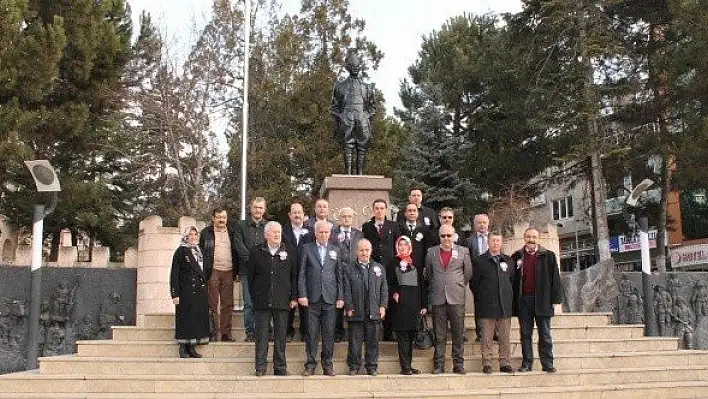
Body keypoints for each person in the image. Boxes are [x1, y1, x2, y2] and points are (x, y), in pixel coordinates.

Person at [247, 222, 298, 376]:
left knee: (280, 337)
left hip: (282, 300)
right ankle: (260, 368)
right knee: (261, 337)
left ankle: (280, 368)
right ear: (266, 235)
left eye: (279, 232)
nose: (277, 235)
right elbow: (251, 278)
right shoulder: (256, 252)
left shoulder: (290, 251)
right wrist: (255, 297)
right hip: (262, 301)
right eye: (274, 232)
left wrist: (294, 297)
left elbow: (294, 276)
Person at [511, 227, 563, 373]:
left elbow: (555, 280)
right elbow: (512, 280)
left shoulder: (549, 256)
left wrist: (556, 300)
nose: (531, 240)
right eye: (528, 237)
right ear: (524, 238)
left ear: (538, 238)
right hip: (524, 301)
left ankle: (547, 364)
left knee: (545, 334)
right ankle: (527, 363)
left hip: (543, 300)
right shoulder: (516, 256)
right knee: (525, 334)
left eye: (534, 237)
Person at [298, 220, 344, 376]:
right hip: (312, 298)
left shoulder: (336, 250)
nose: (324, 234)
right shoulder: (306, 249)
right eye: (321, 232)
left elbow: (339, 276)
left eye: (326, 232)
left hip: (330, 298)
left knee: (329, 333)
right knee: (311, 333)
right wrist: (302, 294)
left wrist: (340, 296)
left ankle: (327, 364)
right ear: (315, 233)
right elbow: (302, 274)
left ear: (330, 234)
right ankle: (310, 364)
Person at [425, 224, 472, 375]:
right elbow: (429, 275)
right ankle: (439, 365)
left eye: (449, 235)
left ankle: (458, 364)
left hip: (457, 297)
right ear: (439, 237)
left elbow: (468, 273)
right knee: (439, 335)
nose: (446, 238)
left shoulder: (463, 251)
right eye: (443, 236)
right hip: (438, 298)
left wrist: (456, 284)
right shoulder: (431, 252)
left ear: (454, 236)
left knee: (458, 333)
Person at [471, 232, 515, 374]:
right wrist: (483, 296)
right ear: (488, 242)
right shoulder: (479, 261)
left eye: (498, 241)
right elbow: (474, 283)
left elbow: (512, 281)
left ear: (501, 243)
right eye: (493, 240)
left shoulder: (508, 261)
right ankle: (487, 363)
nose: (496, 243)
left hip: (504, 305)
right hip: (487, 305)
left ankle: (505, 363)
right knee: (487, 337)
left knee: (504, 337)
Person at [343, 239, 388, 376]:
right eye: (361, 250)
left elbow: (384, 289)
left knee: (372, 341)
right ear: (356, 252)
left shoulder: (379, 268)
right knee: (355, 342)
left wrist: (383, 305)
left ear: (371, 251)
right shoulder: (349, 268)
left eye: (367, 250)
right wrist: (349, 306)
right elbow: (347, 289)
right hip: (356, 311)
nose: (364, 253)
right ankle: (354, 366)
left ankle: (371, 366)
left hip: (373, 311)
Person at [331, 50, 376, 175]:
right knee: (347, 146)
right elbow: (334, 108)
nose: (355, 69)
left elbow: (373, 108)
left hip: (362, 118)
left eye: (357, 67)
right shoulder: (339, 86)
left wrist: (366, 117)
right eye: (352, 67)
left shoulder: (368, 87)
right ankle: (348, 173)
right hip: (347, 117)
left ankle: (360, 173)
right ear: (348, 67)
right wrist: (341, 118)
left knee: (362, 147)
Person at [362, 198, 400, 341]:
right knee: (372, 297)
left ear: (386, 210)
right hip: (372, 267)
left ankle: (388, 333)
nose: (379, 211)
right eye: (376, 208)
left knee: (388, 299)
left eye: (382, 208)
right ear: (373, 210)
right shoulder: (367, 226)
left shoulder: (393, 226)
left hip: (389, 268)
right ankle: (371, 334)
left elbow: (397, 245)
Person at [171, 227, 212, 358]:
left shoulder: (201, 251)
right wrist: (175, 293)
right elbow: (174, 274)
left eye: (196, 234)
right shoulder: (181, 251)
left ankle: (192, 347)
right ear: (186, 236)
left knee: (196, 319)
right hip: (186, 291)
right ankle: (183, 347)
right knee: (185, 319)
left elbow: (207, 270)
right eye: (191, 234)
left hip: (200, 290)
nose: (194, 237)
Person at [199, 207, 238, 342]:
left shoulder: (232, 232)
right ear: (213, 218)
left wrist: (236, 271)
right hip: (212, 271)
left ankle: (226, 334)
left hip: (229, 270)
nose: (221, 219)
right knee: (212, 303)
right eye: (219, 217)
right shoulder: (206, 233)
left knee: (228, 304)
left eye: (224, 217)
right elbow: (201, 253)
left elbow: (236, 252)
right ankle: (213, 332)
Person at [389, 236, 427, 375]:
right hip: (400, 305)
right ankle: (405, 367)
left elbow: (422, 286)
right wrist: (394, 293)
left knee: (410, 336)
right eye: (400, 245)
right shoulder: (392, 263)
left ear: (410, 247)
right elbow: (389, 283)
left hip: (414, 305)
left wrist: (423, 305)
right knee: (402, 337)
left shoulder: (415, 263)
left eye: (405, 244)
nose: (402, 247)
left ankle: (409, 365)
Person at [234, 197, 268, 342]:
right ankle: (250, 332)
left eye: (260, 208)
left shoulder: (269, 226)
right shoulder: (241, 225)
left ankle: (267, 331)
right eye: (255, 207)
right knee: (249, 303)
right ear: (250, 208)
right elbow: (239, 245)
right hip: (247, 270)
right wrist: (254, 261)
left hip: (265, 271)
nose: (258, 210)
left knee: (266, 301)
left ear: (264, 210)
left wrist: (260, 263)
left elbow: (271, 245)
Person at [282, 202, 314, 342]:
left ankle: (305, 332)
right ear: (289, 215)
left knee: (305, 303)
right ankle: (288, 331)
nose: (297, 215)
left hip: (306, 272)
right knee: (289, 302)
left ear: (304, 215)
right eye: (294, 212)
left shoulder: (311, 231)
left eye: (299, 212)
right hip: (287, 272)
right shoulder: (283, 231)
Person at [330, 207, 362, 342]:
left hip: (354, 271)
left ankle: (353, 330)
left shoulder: (359, 234)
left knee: (353, 300)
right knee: (338, 301)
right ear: (339, 218)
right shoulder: (333, 233)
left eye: (349, 216)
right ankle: (338, 331)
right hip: (337, 271)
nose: (346, 218)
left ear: (352, 218)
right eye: (344, 216)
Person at [467, 213, 490, 342]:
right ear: (474, 224)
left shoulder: (495, 238)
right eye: (479, 222)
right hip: (477, 277)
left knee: (493, 304)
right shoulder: (469, 241)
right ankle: (480, 333)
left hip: (492, 276)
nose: (482, 225)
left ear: (488, 223)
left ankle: (494, 333)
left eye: (484, 222)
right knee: (479, 305)